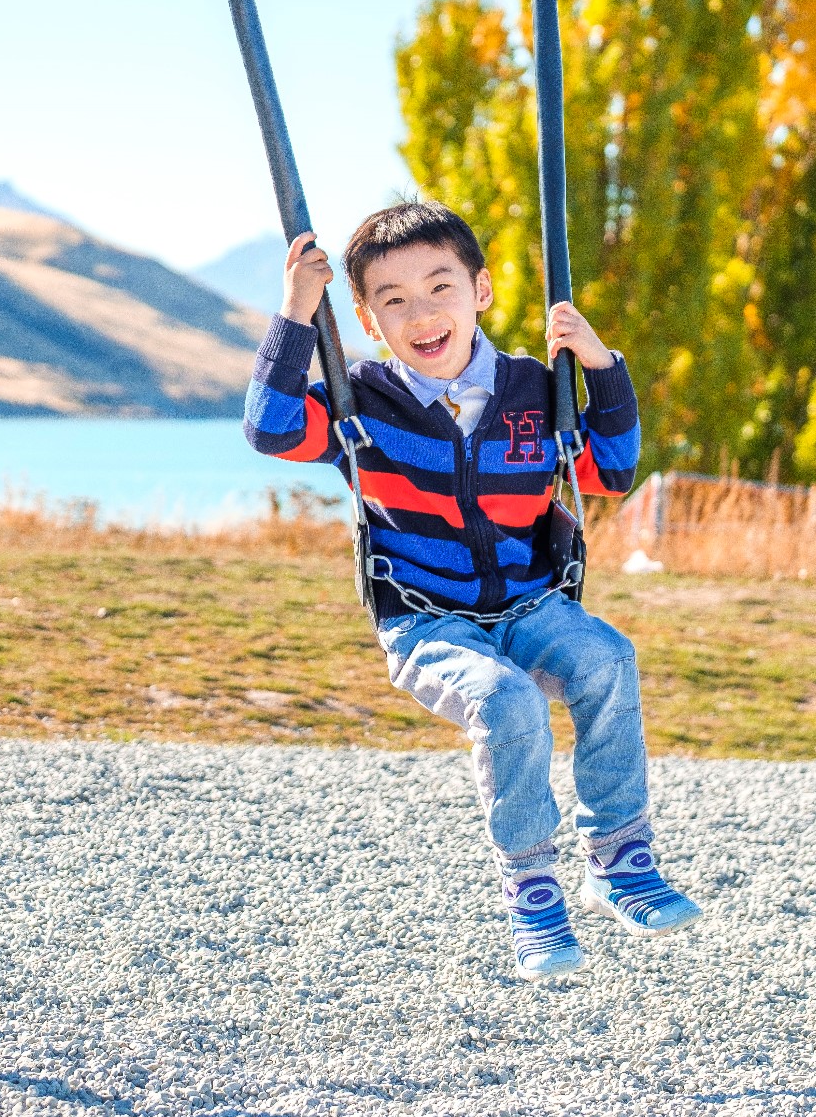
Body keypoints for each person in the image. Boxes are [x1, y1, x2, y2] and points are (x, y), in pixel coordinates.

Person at [243, 198, 700, 981]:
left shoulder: (534, 389)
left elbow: (613, 469)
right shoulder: (361, 403)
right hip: (426, 621)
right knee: (507, 701)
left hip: (529, 602)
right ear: (365, 316)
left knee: (607, 660)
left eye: (439, 287)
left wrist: (599, 367)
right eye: (393, 300)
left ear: (481, 290)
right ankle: (533, 891)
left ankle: (619, 859)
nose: (422, 313)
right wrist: (294, 313)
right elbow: (271, 426)